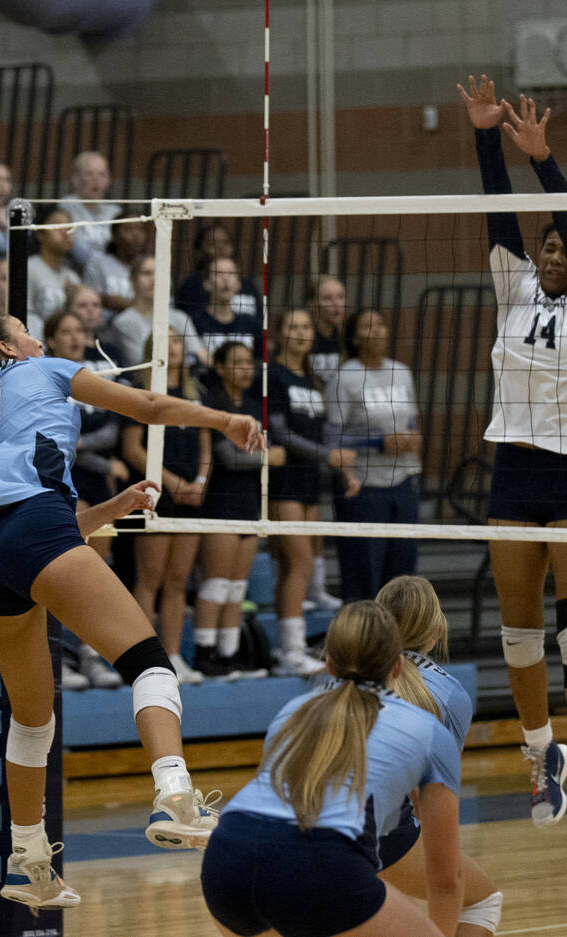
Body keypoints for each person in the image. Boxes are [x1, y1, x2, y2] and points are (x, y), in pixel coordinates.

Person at [0, 303, 262, 909]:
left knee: (32, 719)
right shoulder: (49, 368)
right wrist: (223, 419)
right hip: (36, 531)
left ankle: (28, 862)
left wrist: (110, 510)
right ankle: (175, 795)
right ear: (8, 350)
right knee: (149, 662)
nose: (33, 336)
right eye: (22, 331)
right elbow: (151, 408)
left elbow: (24, 520)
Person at [459, 74, 567, 830]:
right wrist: (485, 134)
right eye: (547, 245)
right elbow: (500, 211)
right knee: (519, 634)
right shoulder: (514, 282)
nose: (553, 252)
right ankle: (542, 760)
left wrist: (544, 157)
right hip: (514, 471)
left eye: (564, 246)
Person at [200, 600, 463, 937]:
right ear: (398, 666)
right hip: (317, 861)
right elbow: (445, 878)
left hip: (227, 854)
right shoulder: (429, 731)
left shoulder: (293, 710)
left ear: (328, 665)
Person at [376, 576, 503, 937]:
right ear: (438, 627)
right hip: (381, 830)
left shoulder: (351, 675)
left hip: (309, 821)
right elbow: (432, 807)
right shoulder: (450, 694)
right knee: (481, 900)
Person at [268, 307, 359, 677]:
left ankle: (289, 648)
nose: (302, 332)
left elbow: (324, 435)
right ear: (279, 333)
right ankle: (290, 651)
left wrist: (345, 469)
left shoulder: (313, 380)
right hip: (283, 482)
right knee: (299, 563)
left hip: (309, 482)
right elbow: (281, 433)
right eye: (293, 326)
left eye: (306, 326)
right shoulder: (273, 375)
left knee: (299, 563)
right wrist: (329, 456)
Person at [43, 309, 129, 689]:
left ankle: (92, 655)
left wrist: (85, 449)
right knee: (66, 572)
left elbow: (111, 431)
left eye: (80, 331)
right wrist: (98, 458)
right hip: (64, 481)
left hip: (96, 482)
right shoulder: (45, 379)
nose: (76, 337)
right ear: (51, 340)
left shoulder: (94, 379)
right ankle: (59, 655)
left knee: (99, 570)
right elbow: (58, 444)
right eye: (66, 330)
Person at [120, 329, 210, 685]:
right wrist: (173, 484)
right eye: (165, 340)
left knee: (178, 581)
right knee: (150, 579)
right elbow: (132, 449)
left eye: (177, 340)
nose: (172, 346)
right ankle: (145, 659)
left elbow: (206, 447)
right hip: (155, 495)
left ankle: (172, 655)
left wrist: (200, 484)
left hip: (191, 497)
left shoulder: (195, 394)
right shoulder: (141, 394)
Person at [194, 341, 285, 679]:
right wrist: (265, 458)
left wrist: (263, 457)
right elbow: (229, 457)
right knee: (216, 583)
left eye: (249, 363)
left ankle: (229, 655)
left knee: (235, 586)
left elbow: (277, 454)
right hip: (221, 501)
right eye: (237, 363)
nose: (246, 369)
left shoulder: (254, 406)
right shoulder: (213, 404)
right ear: (219, 368)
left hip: (249, 503)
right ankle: (205, 653)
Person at [328, 308, 423, 601]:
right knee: (363, 576)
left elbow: (412, 422)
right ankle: (362, 642)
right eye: (369, 326)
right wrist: (379, 443)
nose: (378, 331)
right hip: (365, 488)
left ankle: (399, 643)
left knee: (403, 577)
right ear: (355, 338)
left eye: (381, 324)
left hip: (404, 482)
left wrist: (414, 437)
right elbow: (333, 437)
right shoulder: (344, 377)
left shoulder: (401, 371)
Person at [303, 274, 348, 611]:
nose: (335, 304)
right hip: (308, 432)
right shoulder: (305, 341)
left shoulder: (347, 344)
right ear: (312, 303)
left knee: (320, 514)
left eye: (339, 297)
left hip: (339, 431)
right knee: (304, 513)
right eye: (327, 297)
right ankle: (306, 588)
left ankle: (317, 589)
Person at [106, 255, 204, 368]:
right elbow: (144, 363)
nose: (154, 280)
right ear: (132, 281)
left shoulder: (180, 317)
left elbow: (200, 356)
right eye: (147, 273)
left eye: (159, 274)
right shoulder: (124, 322)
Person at [174, 222, 261, 321]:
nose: (220, 248)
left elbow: (259, 323)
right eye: (212, 244)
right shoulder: (191, 286)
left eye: (225, 242)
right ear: (199, 251)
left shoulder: (248, 285)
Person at [190, 255, 263, 366]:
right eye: (218, 273)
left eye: (231, 273)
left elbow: (259, 361)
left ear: (238, 284)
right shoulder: (194, 322)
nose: (225, 278)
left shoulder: (251, 324)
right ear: (207, 284)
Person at [58, 150, 119, 273]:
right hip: (74, 271)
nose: (95, 179)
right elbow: (75, 249)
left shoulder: (114, 211)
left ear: (108, 180)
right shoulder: (65, 207)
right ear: (75, 179)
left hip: (108, 273)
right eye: (89, 174)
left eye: (102, 174)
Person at [26, 205, 79, 337]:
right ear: (40, 234)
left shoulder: (72, 276)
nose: (66, 232)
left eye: (69, 227)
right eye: (57, 226)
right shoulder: (28, 269)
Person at [83, 211, 150, 312]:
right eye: (129, 229)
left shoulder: (150, 267)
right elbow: (90, 298)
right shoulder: (98, 264)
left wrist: (122, 303)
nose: (136, 235)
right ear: (114, 236)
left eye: (140, 229)